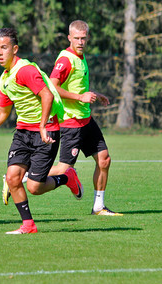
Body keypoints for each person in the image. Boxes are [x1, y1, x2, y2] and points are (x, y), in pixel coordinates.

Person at [0, 28, 83, 234]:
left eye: (4, 47)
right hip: (23, 133)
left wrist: (41, 126)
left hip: (46, 131)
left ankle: (66, 177)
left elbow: (48, 95)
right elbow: (3, 112)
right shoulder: (4, 79)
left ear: (15, 49)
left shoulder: (25, 70)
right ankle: (28, 225)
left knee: (34, 187)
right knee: (13, 178)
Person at [48, 20, 122, 216]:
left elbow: (77, 87)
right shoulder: (65, 59)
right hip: (71, 122)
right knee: (63, 169)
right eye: (77, 38)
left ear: (87, 38)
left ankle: (99, 206)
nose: (80, 42)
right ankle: (18, 177)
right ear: (69, 38)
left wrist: (95, 94)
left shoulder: (80, 57)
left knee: (104, 159)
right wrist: (81, 97)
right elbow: (52, 86)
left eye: (83, 38)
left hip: (86, 120)